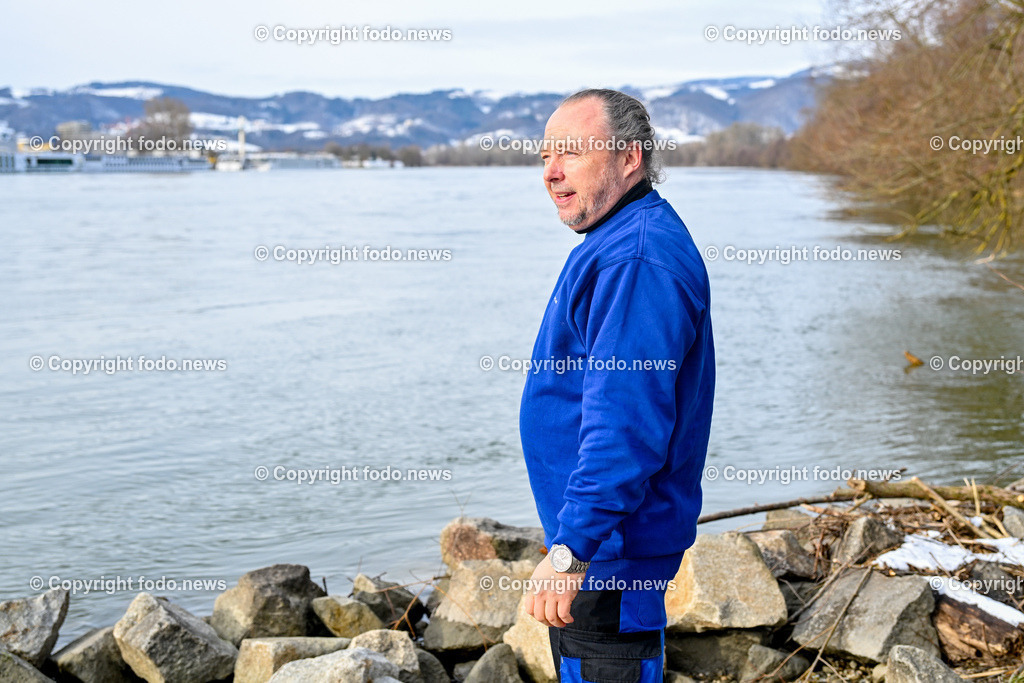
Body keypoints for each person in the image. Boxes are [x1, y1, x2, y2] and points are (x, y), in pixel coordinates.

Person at [519, 89, 715, 683]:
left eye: (571, 153)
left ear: (629, 158)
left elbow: (625, 428)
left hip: (609, 557)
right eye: (546, 156)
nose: (551, 172)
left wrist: (571, 550)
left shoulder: (636, 258)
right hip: (602, 549)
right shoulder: (619, 240)